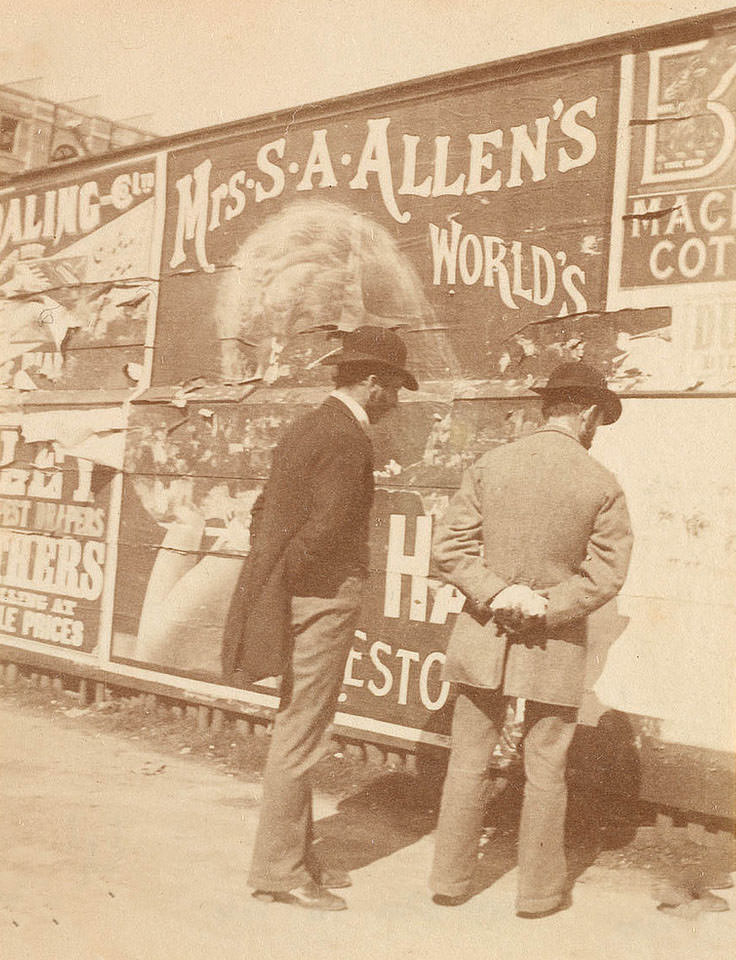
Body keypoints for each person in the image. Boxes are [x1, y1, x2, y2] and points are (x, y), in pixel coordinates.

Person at [223, 325, 418, 912]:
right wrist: (299, 579)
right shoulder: (349, 439)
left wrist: (279, 576)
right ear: (374, 383)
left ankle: (297, 855)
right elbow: (329, 526)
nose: (397, 402)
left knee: (296, 721)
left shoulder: (308, 426)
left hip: (294, 593)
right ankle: (279, 871)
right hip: (322, 597)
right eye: (396, 388)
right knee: (302, 731)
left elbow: (264, 512)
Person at [429, 361, 633, 918]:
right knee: (546, 766)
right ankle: (538, 895)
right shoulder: (601, 483)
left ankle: (449, 881)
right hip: (556, 640)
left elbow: (449, 550)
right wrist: (546, 606)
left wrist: (497, 594)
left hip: (482, 632)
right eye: (598, 418)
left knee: (468, 759)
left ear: (550, 406)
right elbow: (608, 575)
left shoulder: (490, 465)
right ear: (588, 412)